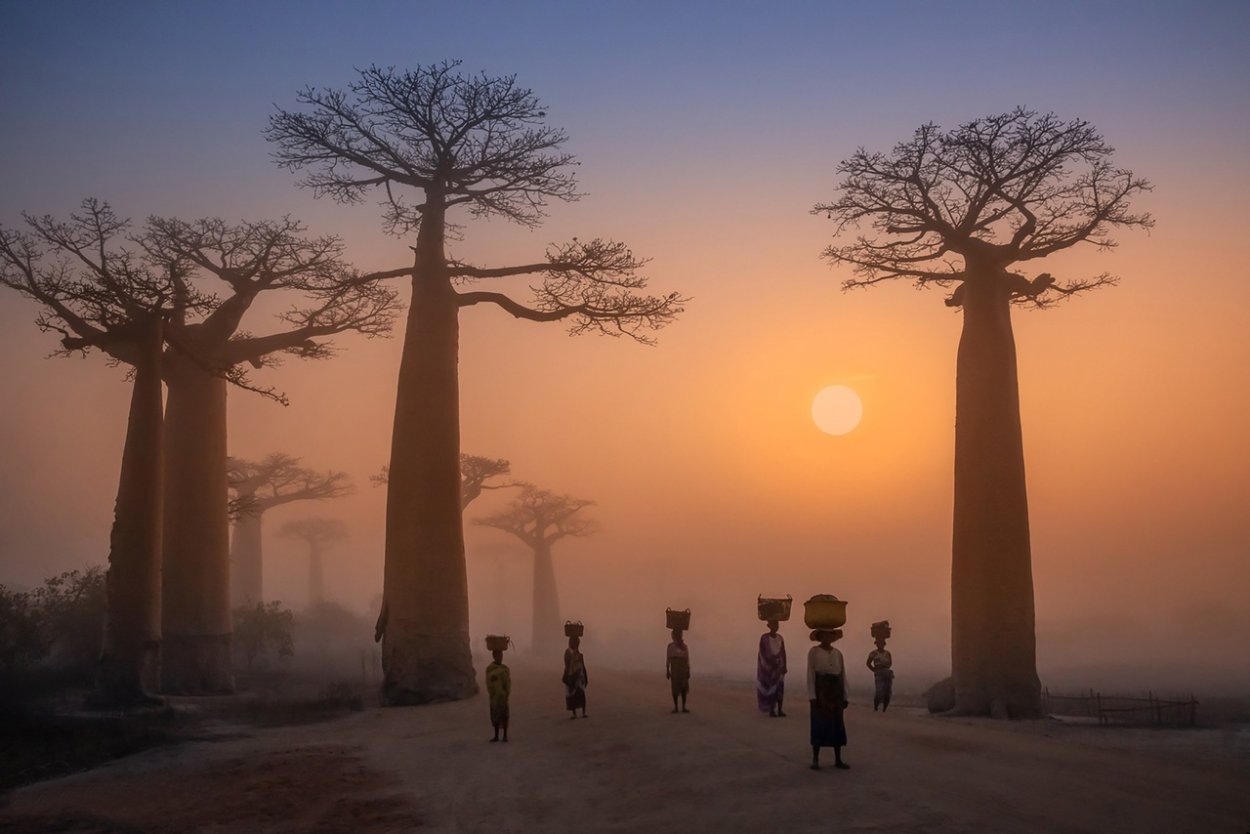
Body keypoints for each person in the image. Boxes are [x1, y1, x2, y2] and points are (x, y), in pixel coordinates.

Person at [807, 629, 849, 770]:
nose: (827, 637)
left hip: (836, 690)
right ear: (820, 636)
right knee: (819, 723)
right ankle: (815, 759)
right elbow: (810, 673)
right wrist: (812, 696)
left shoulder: (838, 653)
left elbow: (842, 674)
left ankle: (838, 759)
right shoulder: (814, 652)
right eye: (825, 634)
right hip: (821, 689)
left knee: (837, 724)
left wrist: (845, 695)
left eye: (830, 634)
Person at [757, 619, 788, 717]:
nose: (776, 627)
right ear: (769, 626)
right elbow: (762, 653)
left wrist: (784, 666)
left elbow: (783, 652)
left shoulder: (780, 638)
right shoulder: (764, 638)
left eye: (777, 625)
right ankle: (771, 710)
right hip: (769, 668)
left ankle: (780, 710)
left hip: (779, 667)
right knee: (771, 688)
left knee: (780, 688)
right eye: (774, 625)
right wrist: (770, 663)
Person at [485, 648, 511, 742]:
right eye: (498, 656)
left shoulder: (505, 669)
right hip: (495, 697)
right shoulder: (490, 669)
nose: (500, 658)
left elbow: (508, 682)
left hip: (503, 697)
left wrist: (506, 692)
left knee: (504, 716)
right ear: (494, 656)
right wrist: (493, 692)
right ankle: (496, 736)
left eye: (501, 656)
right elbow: (488, 682)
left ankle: (505, 735)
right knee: (495, 716)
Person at [563, 635, 589, 718]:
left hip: (579, 677)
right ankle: (574, 713)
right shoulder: (568, 652)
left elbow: (582, 665)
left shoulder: (578, 653)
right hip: (571, 676)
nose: (577, 645)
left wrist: (585, 677)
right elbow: (567, 664)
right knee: (572, 695)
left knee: (581, 694)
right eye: (576, 643)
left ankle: (583, 712)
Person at [666, 628, 690, 713]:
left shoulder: (684, 646)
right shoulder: (670, 646)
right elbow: (668, 659)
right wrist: (668, 670)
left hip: (683, 668)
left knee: (684, 688)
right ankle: (676, 707)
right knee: (675, 688)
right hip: (675, 668)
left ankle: (683, 707)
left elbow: (687, 659)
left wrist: (688, 670)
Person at [866, 638, 894, 712]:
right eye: (879, 644)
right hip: (878, 672)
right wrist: (874, 670)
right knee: (879, 690)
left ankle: (885, 708)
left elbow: (890, 663)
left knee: (887, 690)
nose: (880, 645)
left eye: (882, 644)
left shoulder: (887, 653)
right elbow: (868, 663)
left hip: (887, 672)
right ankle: (876, 706)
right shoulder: (873, 653)